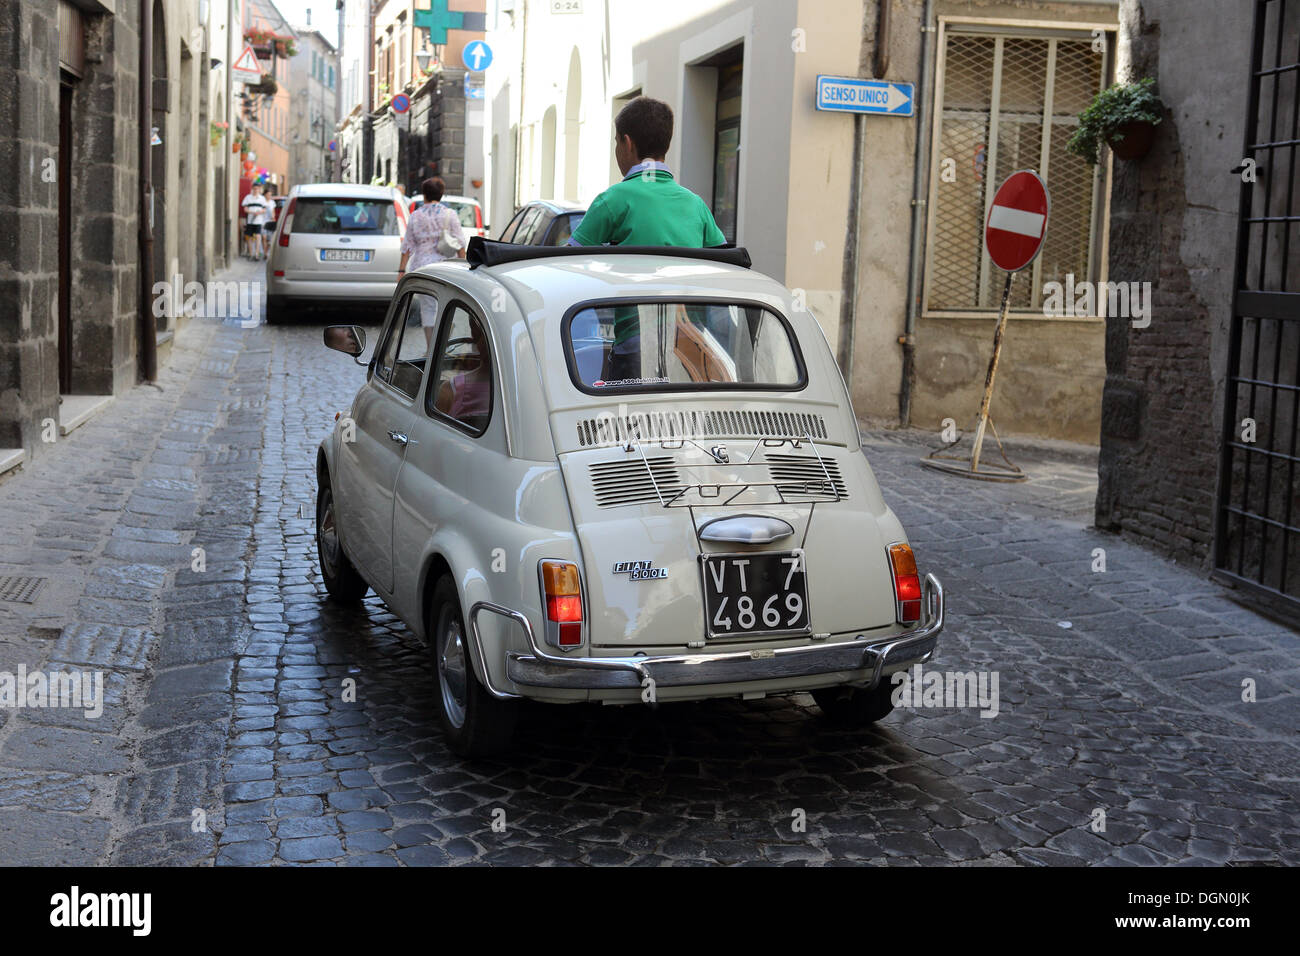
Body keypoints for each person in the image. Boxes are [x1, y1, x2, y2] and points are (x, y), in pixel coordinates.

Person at [567, 96, 727, 383]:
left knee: (632, 428)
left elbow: (563, 265)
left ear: (627, 143)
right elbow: (726, 269)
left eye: (616, 142)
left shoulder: (612, 200)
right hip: (691, 352)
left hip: (634, 350)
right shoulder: (695, 205)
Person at [399, 176, 468, 345]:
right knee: (446, 305)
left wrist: (401, 271)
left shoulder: (416, 216)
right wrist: (465, 267)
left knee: (428, 308)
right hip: (445, 268)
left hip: (423, 268)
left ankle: (431, 347)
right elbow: (460, 243)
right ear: (442, 194)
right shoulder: (450, 215)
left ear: (424, 195)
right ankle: (443, 341)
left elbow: (407, 245)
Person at [241, 183, 271, 259]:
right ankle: (251, 253)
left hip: (258, 221)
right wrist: (252, 212)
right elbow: (245, 209)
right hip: (250, 220)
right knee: (249, 237)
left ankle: (257, 254)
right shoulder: (248, 197)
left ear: (259, 189)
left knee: (258, 236)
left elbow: (264, 209)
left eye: (257, 189)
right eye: (254, 189)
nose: (255, 190)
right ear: (252, 189)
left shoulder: (262, 199)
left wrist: (259, 212)